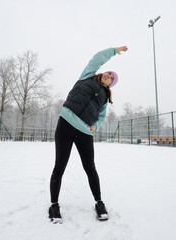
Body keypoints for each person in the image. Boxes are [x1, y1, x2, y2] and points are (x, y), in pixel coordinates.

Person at [48, 46, 128, 223]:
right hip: (66, 124)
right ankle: (54, 205)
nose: (108, 76)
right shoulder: (88, 76)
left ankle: (99, 203)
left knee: (90, 167)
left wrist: (96, 126)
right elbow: (97, 58)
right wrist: (114, 51)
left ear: (111, 84)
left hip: (84, 131)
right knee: (60, 166)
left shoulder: (105, 98)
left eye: (112, 78)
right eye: (108, 73)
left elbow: (101, 116)